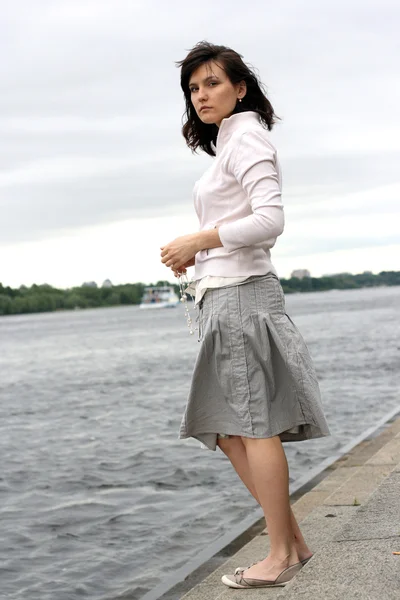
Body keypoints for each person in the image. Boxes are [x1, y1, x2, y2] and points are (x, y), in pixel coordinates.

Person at [160, 41, 330, 590]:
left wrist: (200, 240)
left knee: (254, 431)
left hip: (241, 302)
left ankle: (279, 554)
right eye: (193, 88)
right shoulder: (229, 144)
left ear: (240, 88)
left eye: (212, 83)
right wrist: (200, 258)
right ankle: (294, 541)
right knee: (230, 431)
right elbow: (242, 228)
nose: (201, 95)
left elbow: (270, 220)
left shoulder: (248, 137)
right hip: (224, 297)